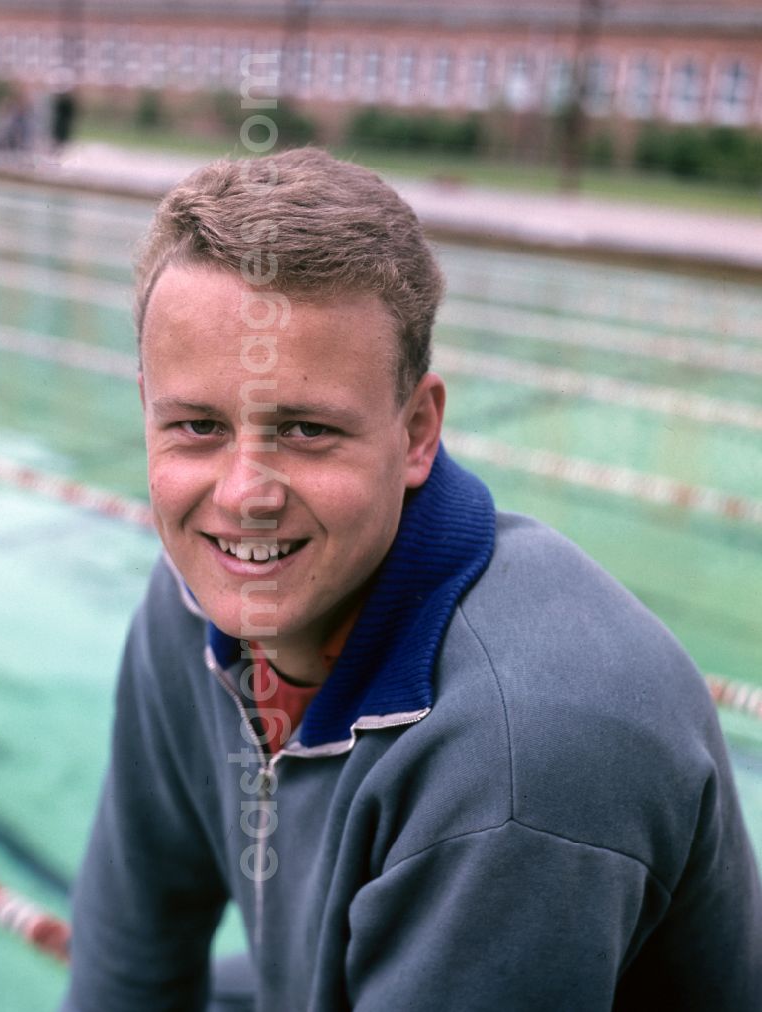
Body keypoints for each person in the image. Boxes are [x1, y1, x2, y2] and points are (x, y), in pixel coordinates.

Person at [59, 148, 762, 1011]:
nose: (244, 495)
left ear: (418, 431)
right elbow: (127, 967)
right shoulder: (188, 610)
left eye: (308, 430)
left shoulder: (519, 765)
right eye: (197, 425)